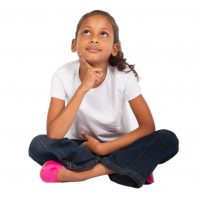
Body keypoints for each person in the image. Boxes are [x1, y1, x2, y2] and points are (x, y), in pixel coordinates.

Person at [28, 10, 179, 188]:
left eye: (103, 34)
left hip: (119, 144)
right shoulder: (62, 75)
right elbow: (54, 135)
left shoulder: (123, 75)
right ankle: (131, 166)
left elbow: (148, 126)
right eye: (86, 32)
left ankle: (82, 174)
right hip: (82, 147)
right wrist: (83, 88)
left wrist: (103, 149)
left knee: (168, 139)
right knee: (37, 145)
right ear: (74, 44)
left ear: (114, 48)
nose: (94, 38)